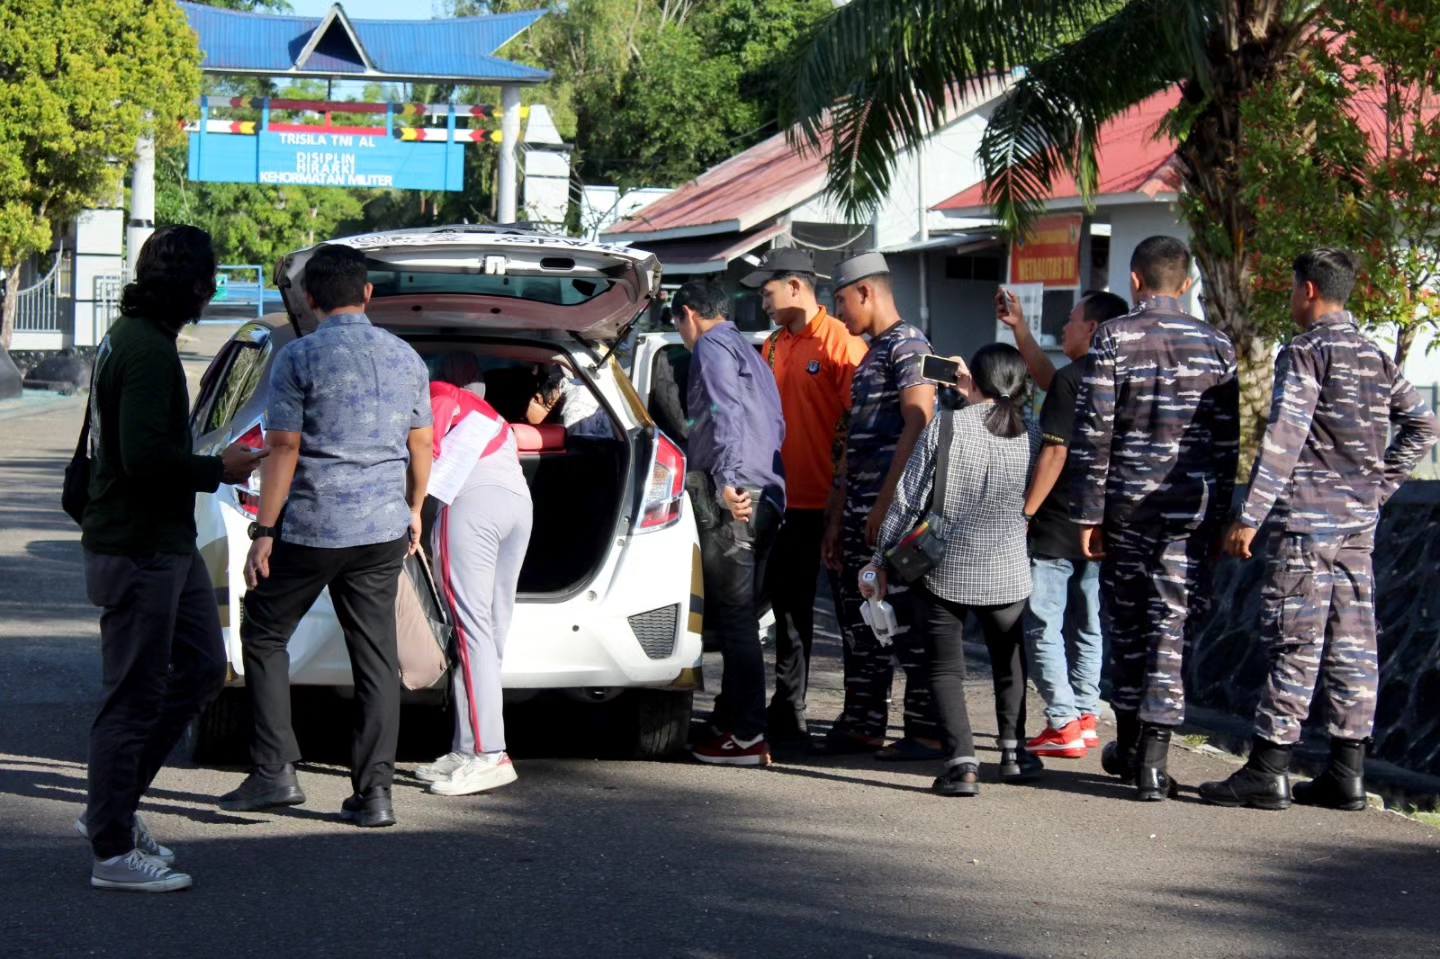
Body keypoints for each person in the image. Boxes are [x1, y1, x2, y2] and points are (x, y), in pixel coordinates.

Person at [1199, 249, 1438, 811]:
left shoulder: (1307, 353)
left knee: (1295, 642)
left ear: (1307, 290)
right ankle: (1347, 773)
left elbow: (1284, 439)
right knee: (1354, 645)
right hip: (1357, 527)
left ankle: (1268, 769)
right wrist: (1376, 491)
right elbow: (1422, 424)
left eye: (1290, 287)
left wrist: (1249, 516)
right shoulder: (1374, 355)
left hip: (1308, 524)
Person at [78, 226, 266, 892]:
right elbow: (142, 458)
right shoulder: (147, 352)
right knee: (133, 695)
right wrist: (223, 465)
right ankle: (110, 846)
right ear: (191, 284)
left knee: (202, 668)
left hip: (163, 542)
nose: (212, 290)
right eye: (208, 278)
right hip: (139, 546)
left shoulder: (132, 339)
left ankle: (113, 806)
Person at [219, 244, 433, 828]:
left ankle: (274, 773)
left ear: (311, 300)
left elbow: (284, 447)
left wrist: (265, 529)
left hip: (314, 528)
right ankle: (375, 795)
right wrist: (414, 508)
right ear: (367, 295)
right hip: (382, 530)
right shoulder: (408, 359)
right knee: (376, 659)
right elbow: (421, 445)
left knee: (263, 633)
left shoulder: (300, 358)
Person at [1070, 235, 1240, 802]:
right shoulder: (1218, 345)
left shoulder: (1114, 337)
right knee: (1171, 629)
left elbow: (1094, 433)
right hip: (1190, 513)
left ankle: (1133, 748)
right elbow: (1226, 445)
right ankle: (1153, 762)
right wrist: (1218, 521)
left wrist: (1089, 513)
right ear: (1188, 283)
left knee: (1127, 626)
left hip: (1126, 511)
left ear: (1134, 281)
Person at [862, 344, 1040, 796]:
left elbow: (908, 499)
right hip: (1009, 572)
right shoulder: (1032, 434)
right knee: (1009, 662)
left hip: (946, 569)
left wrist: (881, 558)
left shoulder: (948, 425)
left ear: (973, 381)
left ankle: (962, 765)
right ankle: (1014, 753)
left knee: (945, 669)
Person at [997, 288, 1130, 759]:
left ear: (1092, 328)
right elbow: (1053, 379)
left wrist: (1025, 514)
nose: (1064, 329)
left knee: (1042, 623)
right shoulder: (1115, 374)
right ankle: (1086, 714)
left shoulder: (1076, 378)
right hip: (1104, 521)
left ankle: (1061, 722)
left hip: (1056, 523)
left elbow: (1055, 451)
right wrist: (1021, 331)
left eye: (1071, 321)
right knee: (1090, 621)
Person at [741, 248, 867, 740]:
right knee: (790, 614)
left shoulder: (842, 344)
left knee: (852, 617)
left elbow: (861, 430)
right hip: (781, 503)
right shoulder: (774, 345)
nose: (764, 302)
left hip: (832, 505)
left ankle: (859, 718)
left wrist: (842, 504)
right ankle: (787, 711)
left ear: (795, 286)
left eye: (768, 292)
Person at [824, 252, 941, 758]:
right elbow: (855, 442)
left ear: (867, 293)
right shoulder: (872, 352)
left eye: (842, 301)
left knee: (909, 623)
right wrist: (838, 517)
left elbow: (920, 420)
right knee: (862, 622)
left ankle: (924, 731)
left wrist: (887, 505)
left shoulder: (909, 345)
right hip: (859, 511)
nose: (841, 312)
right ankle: (863, 722)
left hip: (893, 515)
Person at [673, 280, 786, 766]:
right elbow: (773, 423)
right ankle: (730, 721)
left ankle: (746, 734)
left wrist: (727, 481)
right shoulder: (749, 350)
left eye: (676, 324)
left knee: (736, 620)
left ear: (687, 315)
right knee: (742, 619)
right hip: (771, 491)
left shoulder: (712, 347)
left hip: (739, 492)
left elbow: (724, 414)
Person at [416, 353, 533, 796]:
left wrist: (410, 509)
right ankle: (467, 749)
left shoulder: (439, 394)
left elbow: (427, 451)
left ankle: (489, 755)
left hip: (472, 507)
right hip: (518, 507)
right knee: (488, 633)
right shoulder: (494, 417)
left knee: (469, 631)